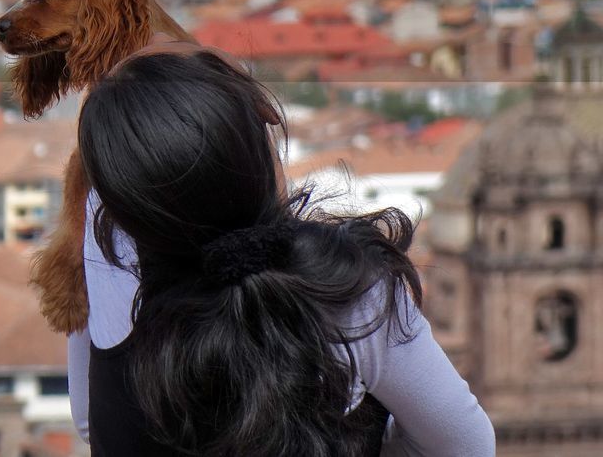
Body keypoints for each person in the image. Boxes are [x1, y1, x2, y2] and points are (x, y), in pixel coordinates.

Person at [66, 36, 495, 457]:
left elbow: (89, 423)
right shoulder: (354, 296)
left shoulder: (109, 264)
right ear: (263, 155)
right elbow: (466, 446)